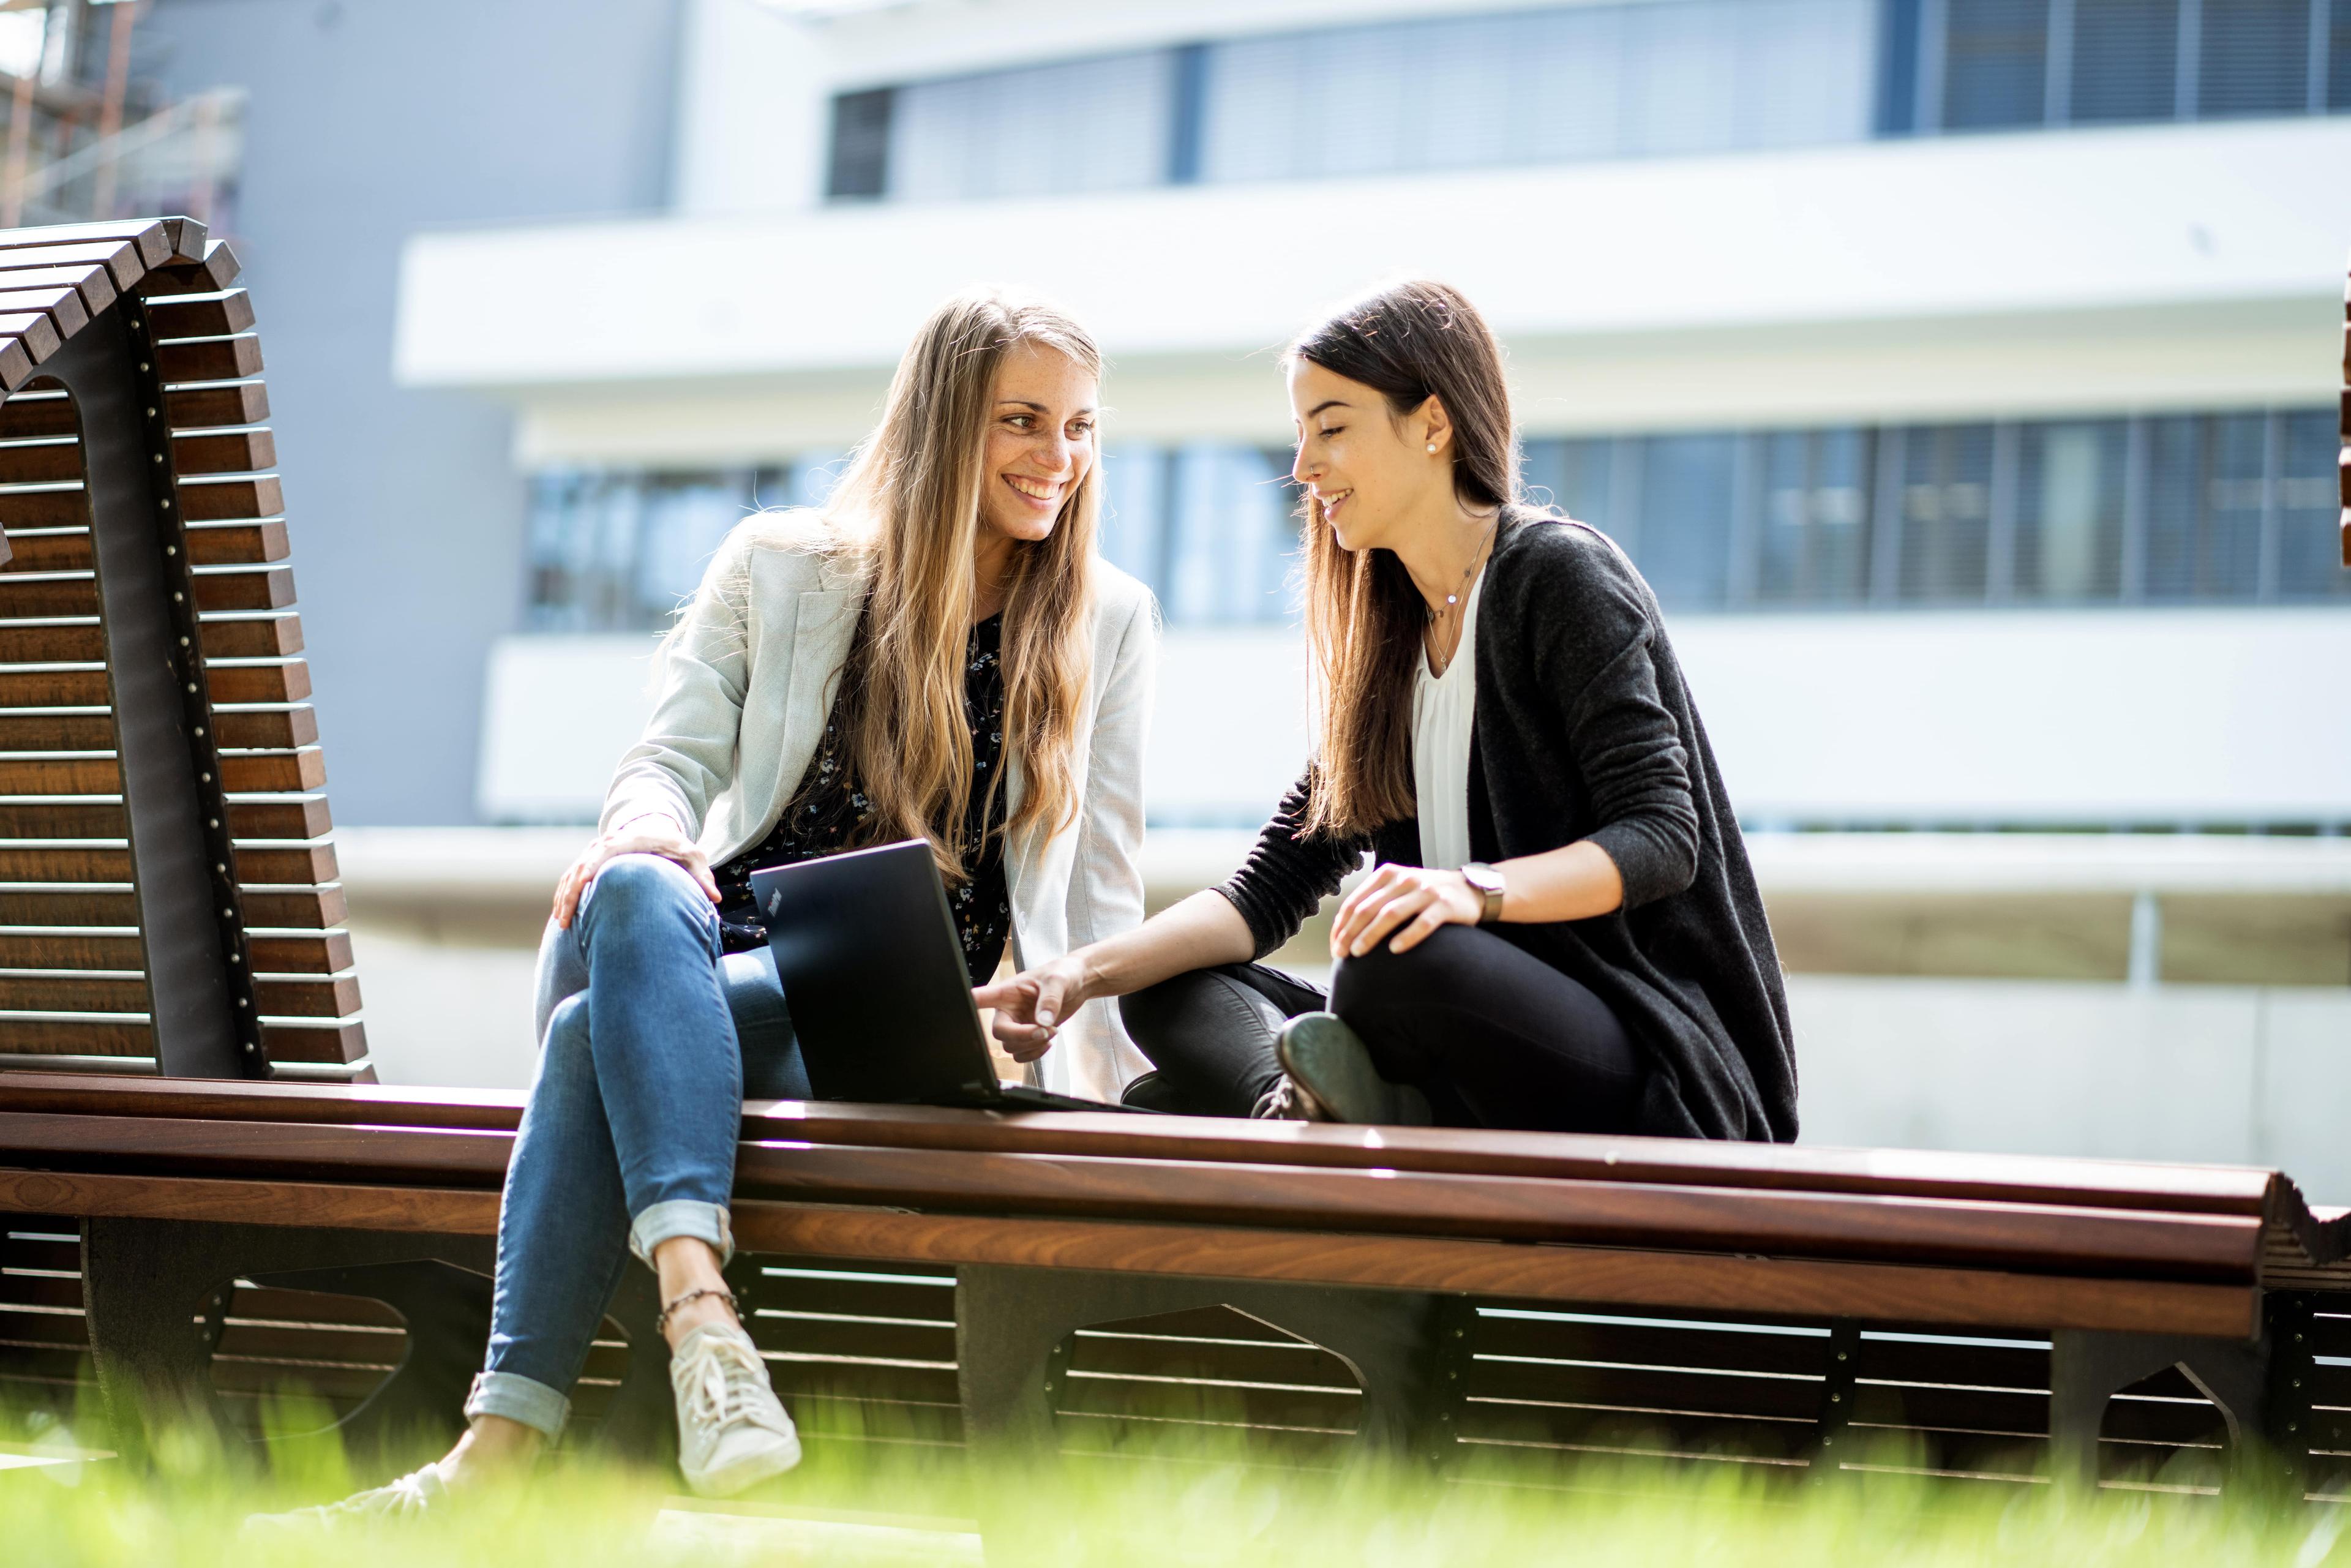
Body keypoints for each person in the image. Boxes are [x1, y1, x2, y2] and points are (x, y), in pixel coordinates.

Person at [272, 290, 1154, 1523]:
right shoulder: (783, 568)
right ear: (950, 420)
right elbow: (668, 762)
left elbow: (1105, 885)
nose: (1058, 459)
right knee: (635, 882)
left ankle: (504, 1459)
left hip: (892, 1032)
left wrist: (1088, 1074)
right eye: (1023, 420)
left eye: (1080, 429)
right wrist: (642, 824)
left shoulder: (1105, 620)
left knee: (590, 1041)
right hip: (699, 970)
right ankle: (703, 1330)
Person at [978, 280, 1794, 1144]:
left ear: (1433, 423)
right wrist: (1076, 973)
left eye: (1331, 428)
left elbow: (1662, 836)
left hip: (1641, 1054)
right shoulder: (1395, 637)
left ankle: (1315, 1109)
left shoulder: (1556, 577)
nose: (1303, 467)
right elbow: (1268, 889)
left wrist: (1469, 891)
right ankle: (1293, 1109)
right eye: (1300, 437)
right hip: (1451, 1027)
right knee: (1164, 979)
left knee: (1390, 955)